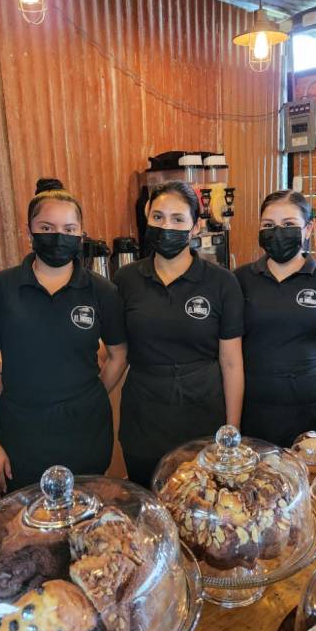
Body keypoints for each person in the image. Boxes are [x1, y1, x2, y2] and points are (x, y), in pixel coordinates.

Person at [0, 181, 128, 493]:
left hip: (86, 430)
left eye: (69, 228)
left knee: (87, 520)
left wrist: (92, 393)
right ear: (29, 231)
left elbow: (119, 352)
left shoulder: (102, 291)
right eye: (47, 226)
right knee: (28, 529)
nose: (59, 236)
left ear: (81, 234)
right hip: (21, 432)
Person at [113, 181, 244, 486]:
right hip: (144, 414)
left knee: (201, 507)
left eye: (177, 219)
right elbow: (115, 352)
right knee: (147, 505)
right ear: (146, 217)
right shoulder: (126, 279)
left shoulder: (222, 283)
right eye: (158, 217)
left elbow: (231, 362)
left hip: (203, 411)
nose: (166, 226)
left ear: (196, 226)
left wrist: (231, 431)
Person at [235, 190, 316, 447]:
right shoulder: (239, 280)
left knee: (308, 478)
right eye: (268, 225)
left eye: (289, 225)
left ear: (308, 229)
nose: (278, 232)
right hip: (253, 407)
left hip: (310, 408)